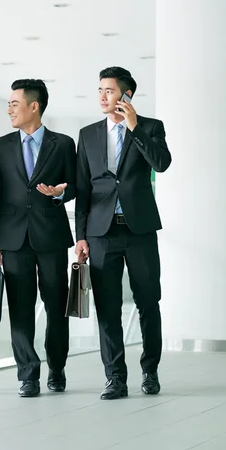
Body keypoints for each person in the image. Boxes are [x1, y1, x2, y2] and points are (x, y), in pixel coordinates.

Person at [75, 67, 172, 400]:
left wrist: (133, 128)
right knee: (108, 307)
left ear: (127, 95)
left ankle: (150, 372)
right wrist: (81, 236)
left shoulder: (150, 127)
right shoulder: (87, 134)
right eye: (99, 90)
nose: (102, 96)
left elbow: (161, 164)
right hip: (101, 233)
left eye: (109, 90)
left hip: (140, 230)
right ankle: (115, 377)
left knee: (148, 303)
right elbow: (82, 188)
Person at [0, 79, 76, 397]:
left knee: (57, 307)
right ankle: (28, 374)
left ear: (33, 106)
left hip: (50, 236)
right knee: (20, 309)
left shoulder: (63, 144)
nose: (9, 109)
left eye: (14, 103)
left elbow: (74, 186)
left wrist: (59, 193)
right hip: (12, 239)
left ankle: (57, 368)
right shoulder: (1, 146)